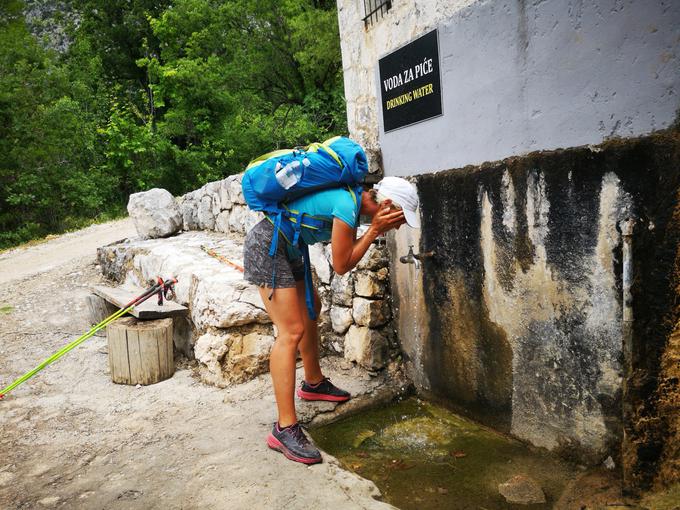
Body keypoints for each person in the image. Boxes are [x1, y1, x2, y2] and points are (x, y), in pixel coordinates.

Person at [243, 176, 420, 464]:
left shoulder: (351, 201)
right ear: (386, 204)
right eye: (400, 218)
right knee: (290, 332)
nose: (399, 226)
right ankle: (284, 428)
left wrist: (372, 228)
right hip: (269, 246)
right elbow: (341, 265)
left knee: (312, 310)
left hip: (289, 247)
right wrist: (374, 229)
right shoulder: (346, 205)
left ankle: (313, 384)